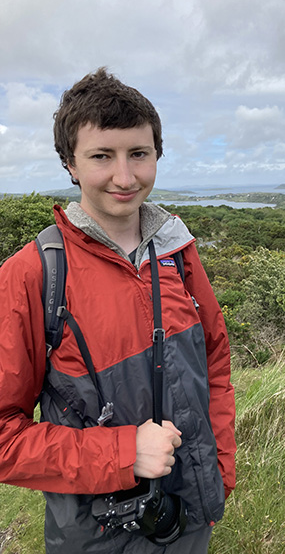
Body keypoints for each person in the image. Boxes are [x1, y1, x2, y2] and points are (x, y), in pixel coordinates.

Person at [0, 68, 236, 553]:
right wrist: (123, 452)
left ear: (157, 156)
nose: (124, 177)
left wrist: (220, 471)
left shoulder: (176, 251)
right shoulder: (32, 275)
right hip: (94, 535)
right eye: (102, 156)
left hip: (190, 517)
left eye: (139, 154)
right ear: (70, 164)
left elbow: (213, 362)